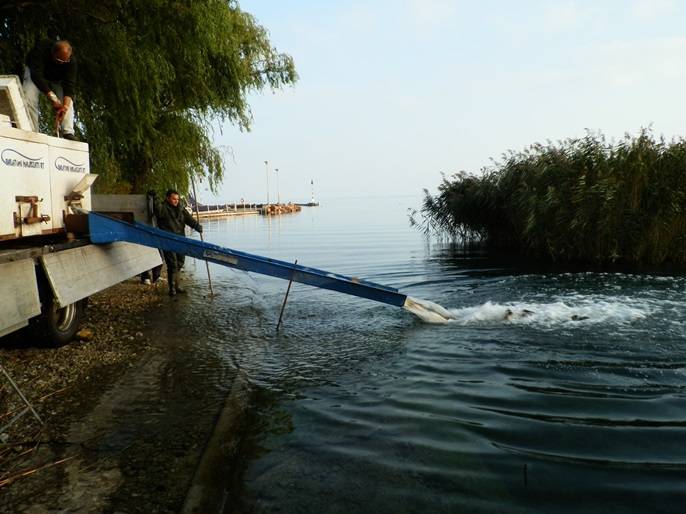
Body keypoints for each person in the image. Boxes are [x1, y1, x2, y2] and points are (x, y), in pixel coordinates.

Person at [23, 39, 78, 140]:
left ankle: (68, 132)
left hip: (58, 79)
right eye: (61, 61)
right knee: (29, 96)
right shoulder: (39, 51)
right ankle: (32, 130)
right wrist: (53, 99)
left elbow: (69, 86)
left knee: (68, 101)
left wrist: (64, 107)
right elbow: (36, 77)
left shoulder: (71, 62)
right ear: (53, 53)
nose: (64, 63)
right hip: (37, 73)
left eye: (66, 60)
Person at [154, 189, 203, 296]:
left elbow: (189, 219)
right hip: (168, 240)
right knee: (172, 264)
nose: (176, 201)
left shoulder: (181, 209)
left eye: (177, 199)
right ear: (167, 198)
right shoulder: (163, 208)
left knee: (180, 262)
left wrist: (197, 226)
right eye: (173, 199)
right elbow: (157, 210)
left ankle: (177, 285)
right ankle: (172, 289)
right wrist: (155, 196)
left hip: (181, 239)